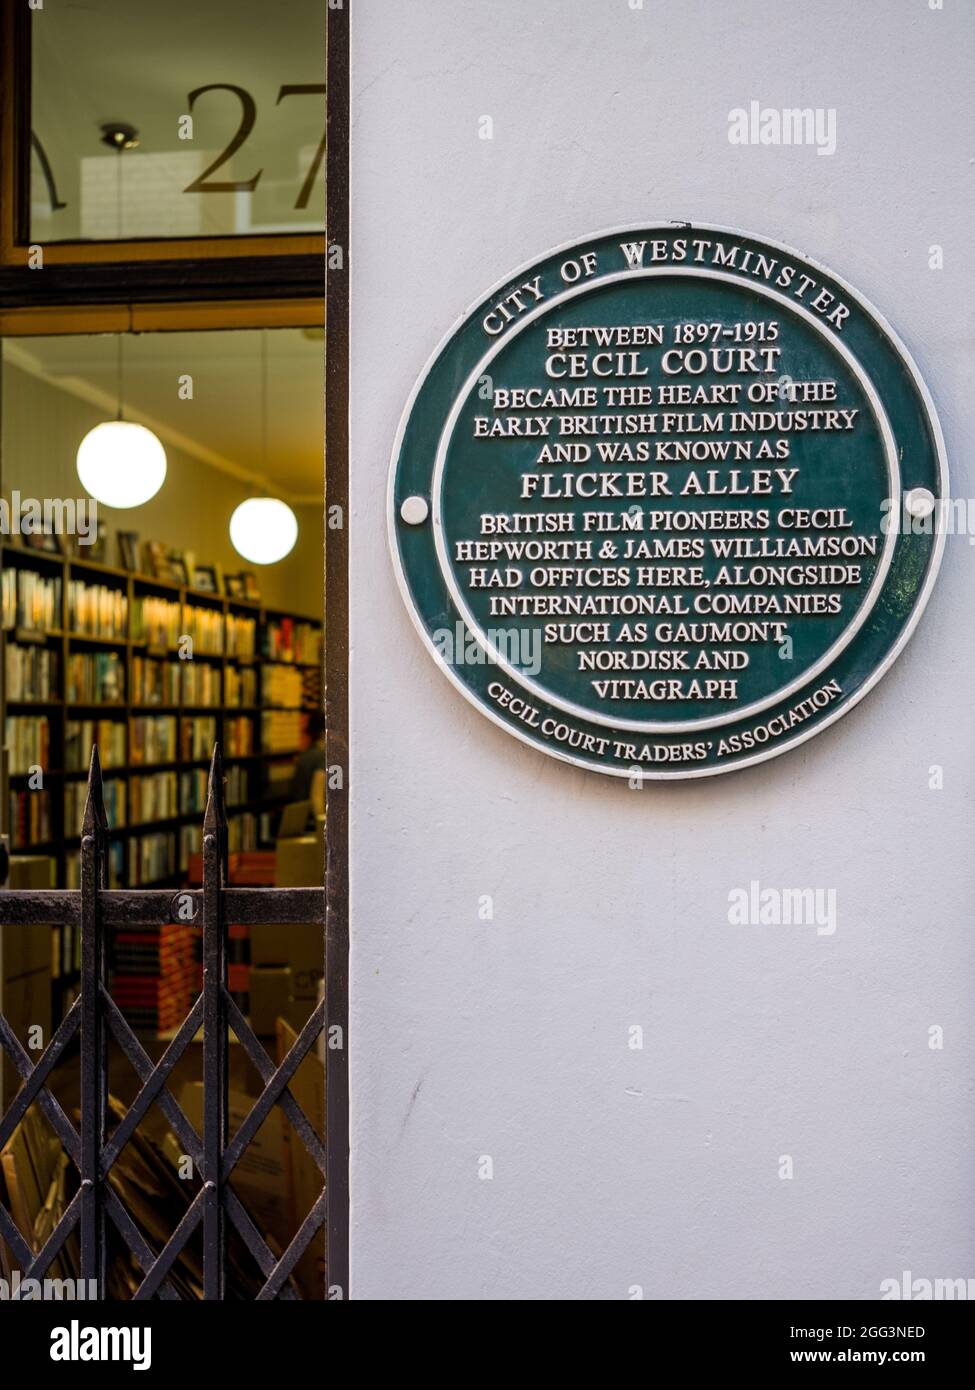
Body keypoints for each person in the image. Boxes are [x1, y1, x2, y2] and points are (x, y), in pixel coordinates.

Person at [289, 708, 326, 819]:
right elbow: (317, 798)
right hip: (312, 822)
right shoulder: (321, 757)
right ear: (324, 732)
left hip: (299, 818)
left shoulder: (305, 755)